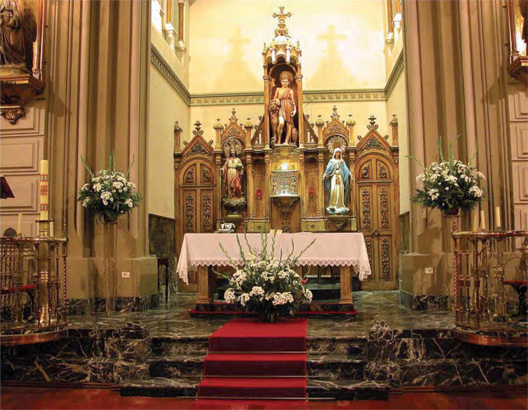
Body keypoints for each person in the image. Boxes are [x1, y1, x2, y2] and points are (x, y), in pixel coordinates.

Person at [323, 148, 351, 214]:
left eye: (339, 153)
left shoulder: (342, 161)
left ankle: (340, 205)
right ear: (334, 153)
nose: (338, 154)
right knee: (333, 189)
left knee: (340, 190)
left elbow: (345, 169)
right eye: (337, 152)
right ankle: (333, 205)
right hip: (334, 177)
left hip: (340, 177)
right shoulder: (331, 161)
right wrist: (325, 174)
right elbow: (328, 169)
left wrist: (349, 173)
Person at [272, 70, 296, 144]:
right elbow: (274, 98)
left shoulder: (290, 90)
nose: (284, 83)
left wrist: (295, 110)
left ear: (288, 82)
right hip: (281, 107)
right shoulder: (278, 89)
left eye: (286, 81)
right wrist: (276, 99)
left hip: (289, 106)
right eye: (283, 81)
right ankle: (279, 139)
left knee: (289, 124)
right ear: (281, 81)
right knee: (281, 123)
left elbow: (293, 101)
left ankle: (286, 141)